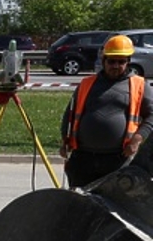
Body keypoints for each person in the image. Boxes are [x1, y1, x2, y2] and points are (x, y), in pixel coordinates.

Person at [60, 34, 153, 188]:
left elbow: (151, 115)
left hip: (116, 159)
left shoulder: (140, 85)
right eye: (111, 61)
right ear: (104, 60)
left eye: (121, 62)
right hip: (82, 159)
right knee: (79, 205)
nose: (116, 66)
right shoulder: (86, 84)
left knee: (110, 206)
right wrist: (65, 141)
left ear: (128, 62)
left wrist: (137, 139)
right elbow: (69, 114)